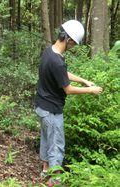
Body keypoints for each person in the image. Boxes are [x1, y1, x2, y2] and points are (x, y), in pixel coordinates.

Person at [35, 20, 103, 186]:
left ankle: (45, 173)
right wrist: (90, 90)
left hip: (41, 107)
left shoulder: (49, 52)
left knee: (46, 140)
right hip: (52, 111)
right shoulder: (57, 61)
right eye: (73, 44)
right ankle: (55, 180)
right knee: (56, 146)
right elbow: (68, 89)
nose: (73, 47)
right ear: (69, 40)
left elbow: (62, 73)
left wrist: (84, 80)